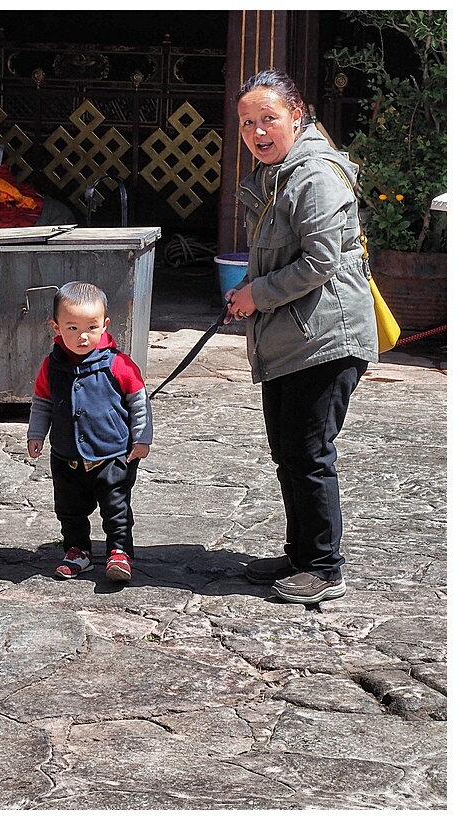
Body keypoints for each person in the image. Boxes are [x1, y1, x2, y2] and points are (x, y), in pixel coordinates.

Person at [225, 69, 378, 605]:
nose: (258, 132)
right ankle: (300, 554)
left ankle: (323, 566)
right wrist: (249, 287)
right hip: (293, 336)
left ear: (298, 115)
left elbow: (319, 261)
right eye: (248, 123)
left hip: (325, 337)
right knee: (290, 451)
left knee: (309, 451)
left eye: (269, 119)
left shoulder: (315, 175)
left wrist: (256, 295)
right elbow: (280, 255)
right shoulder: (276, 175)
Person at [27, 281, 152, 583]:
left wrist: (142, 438)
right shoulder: (51, 366)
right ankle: (77, 551)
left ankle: (119, 552)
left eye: (91, 327)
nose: (82, 336)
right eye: (71, 328)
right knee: (69, 511)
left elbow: (139, 403)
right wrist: (36, 434)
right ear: (55, 326)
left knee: (116, 509)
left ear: (105, 325)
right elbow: (42, 402)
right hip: (67, 456)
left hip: (112, 456)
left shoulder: (119, 365)